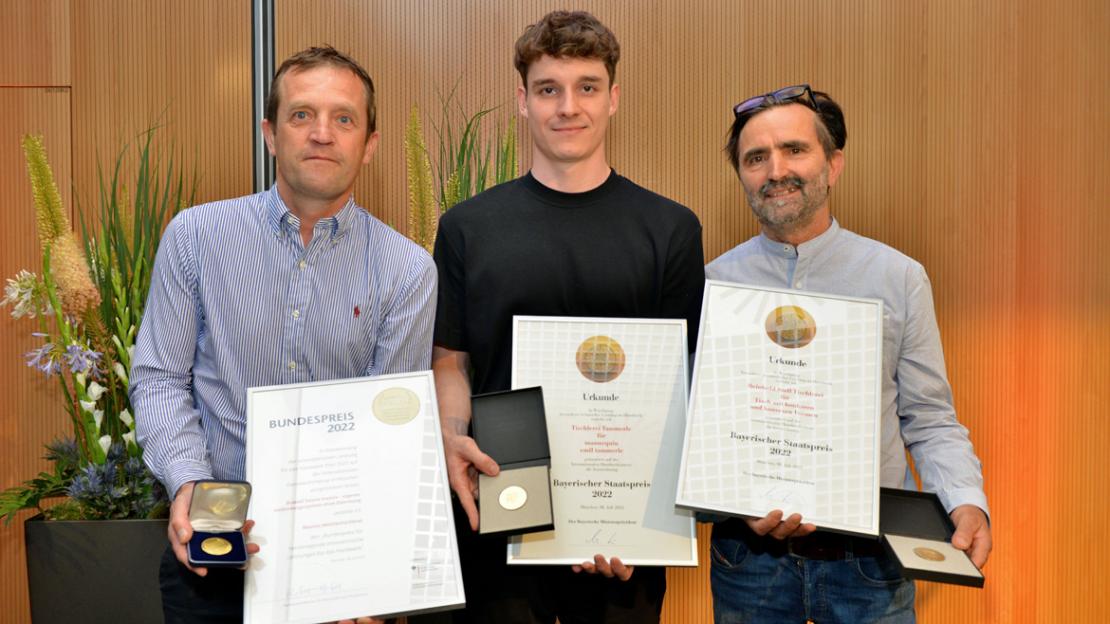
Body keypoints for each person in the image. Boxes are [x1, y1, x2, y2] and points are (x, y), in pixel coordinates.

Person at [131, 46, 436, 624]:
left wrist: (366, 572)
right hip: (214, 550)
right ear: (271, 134)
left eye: (343, 118)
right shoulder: (196, 237)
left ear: (369, 144)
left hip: (337, 566)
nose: (322, 134)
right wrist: (188, 484)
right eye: (302, 115)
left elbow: (388, 432)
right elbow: (160, 379)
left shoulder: (408, 270)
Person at [429, 10, 705, 624]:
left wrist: (647, 522)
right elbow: (451, 359)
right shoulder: (468, 227)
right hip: (501, 505)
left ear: (614, 99)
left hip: (625, 530)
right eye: (548, 89)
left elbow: (683, 386)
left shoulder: (671, 230)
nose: (567, 106)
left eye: (587, 87)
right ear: (522, 102)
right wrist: (452, 437)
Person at [705, 84, 992, 623]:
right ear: (742, 175)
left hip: (869, 566)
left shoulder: (898, 277)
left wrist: (966, 499)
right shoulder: (713, 285)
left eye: (795, 149)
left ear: (833, 164)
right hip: (750, 565)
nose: (775, 170)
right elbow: (704, 431)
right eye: (756, 157)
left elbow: (928, 418)